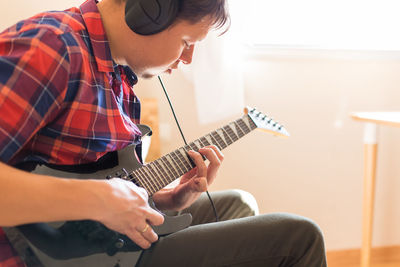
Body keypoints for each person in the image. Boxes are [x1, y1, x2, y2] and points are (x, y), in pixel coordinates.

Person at [0, 0, 327, 266]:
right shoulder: (53, 47)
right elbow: (97, 194)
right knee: (299, 237)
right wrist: (102, 199)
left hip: (97, 237)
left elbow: (90, 176)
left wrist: (165, 200)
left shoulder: (118, 76)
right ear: (148, 12)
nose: (187, 58)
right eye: (187, 42)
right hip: (46, 254)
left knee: (236, 204)